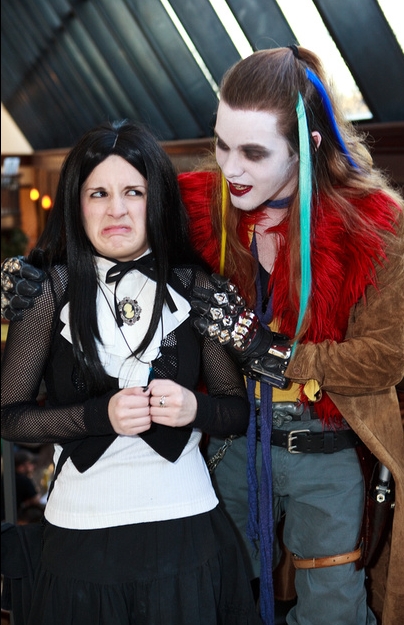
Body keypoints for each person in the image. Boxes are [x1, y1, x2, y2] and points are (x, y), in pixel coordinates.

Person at [2, 46, 404, 625]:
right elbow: (103, 230)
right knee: (223, 595)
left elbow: (385, 357)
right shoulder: (198, 204)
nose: (230, 169)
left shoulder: (376, 224)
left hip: (327, 438)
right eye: (221, 144)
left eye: (254, 152)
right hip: (222, 449)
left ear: (308, 146)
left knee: (333, 606)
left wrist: (275, 354)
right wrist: (23, 277)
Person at [1, 120, 261, 625]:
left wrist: (195, 408)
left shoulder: (195, 287)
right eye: (98, 193)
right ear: (76, 204)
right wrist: (98, 417)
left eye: (133, 192)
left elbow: (235, 412)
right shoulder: (48, 291)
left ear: (156, 200)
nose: (116, 209)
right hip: (79, 536)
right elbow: (10, 419)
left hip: (186, 528)